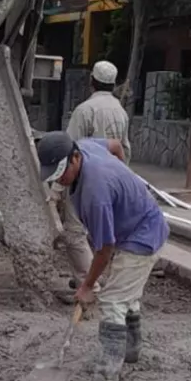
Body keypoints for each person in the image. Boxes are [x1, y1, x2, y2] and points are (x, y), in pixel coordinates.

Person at [37, 131, 168, 379]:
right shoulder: (86, 147)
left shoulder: (95, 193)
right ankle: (131, 349)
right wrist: (123, 177)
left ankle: (109, 364)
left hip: (142, 233)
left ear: (75, 158)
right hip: (135, 225)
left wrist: (87, 286)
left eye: (61, 173)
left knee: (113, 300)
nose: (60, 181)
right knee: (126, 292)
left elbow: (104, 248)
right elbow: (116, 145)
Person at [57, 60, 132, 289]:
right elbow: (124, 148)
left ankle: (89, 283)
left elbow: (70, 149)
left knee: (74, 232)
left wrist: (57, 188)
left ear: (92, 81)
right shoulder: (121, 112)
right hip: (111, 180)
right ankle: (93, 277)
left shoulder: (85, 110)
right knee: (99, 231)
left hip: (85, 180)